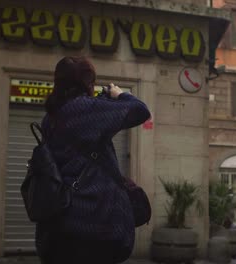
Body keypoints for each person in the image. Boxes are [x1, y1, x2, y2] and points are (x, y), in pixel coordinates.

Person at [35, 56, 151, 263]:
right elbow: (140, 111)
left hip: (57, 224)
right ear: (87, 82)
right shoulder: (84, 109)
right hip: (92, 223)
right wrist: (120, 94)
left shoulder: (51, 116)